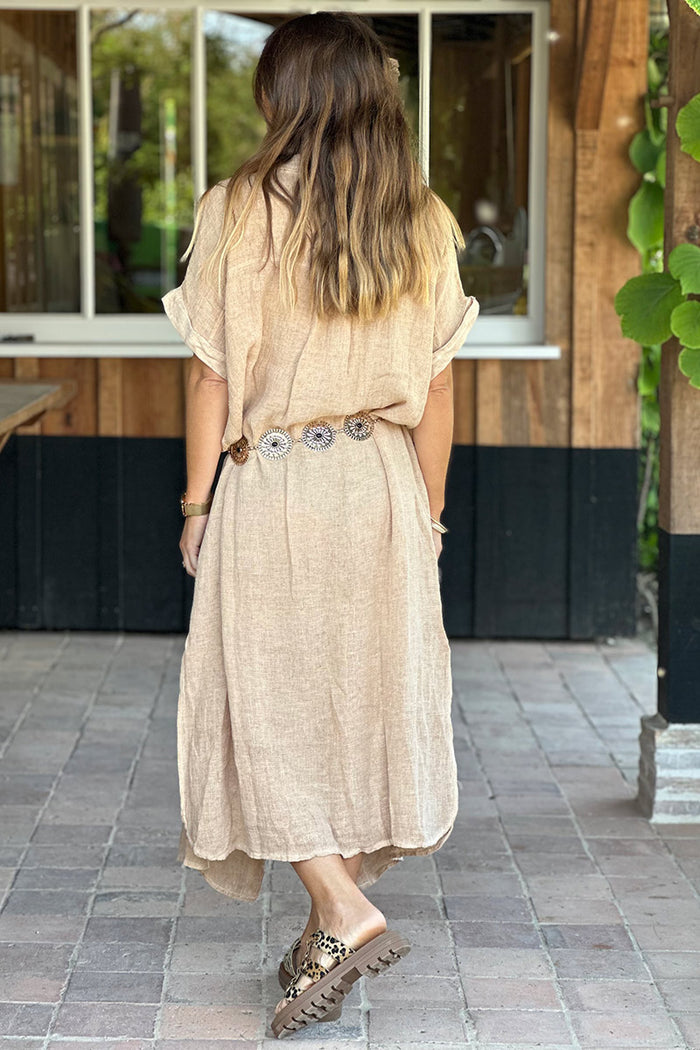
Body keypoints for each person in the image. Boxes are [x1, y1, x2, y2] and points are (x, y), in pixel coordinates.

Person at [161, 11, 479, 1039]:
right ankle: (323, 932)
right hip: (383, 481)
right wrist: (427, 515)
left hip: (277, 482)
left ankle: (342, 907)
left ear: (284, 95)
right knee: (347, 704)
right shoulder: (422, 218)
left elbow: (210, 377)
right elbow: (439, 388)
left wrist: (196, 503)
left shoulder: (237, 209)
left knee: (262, 704)